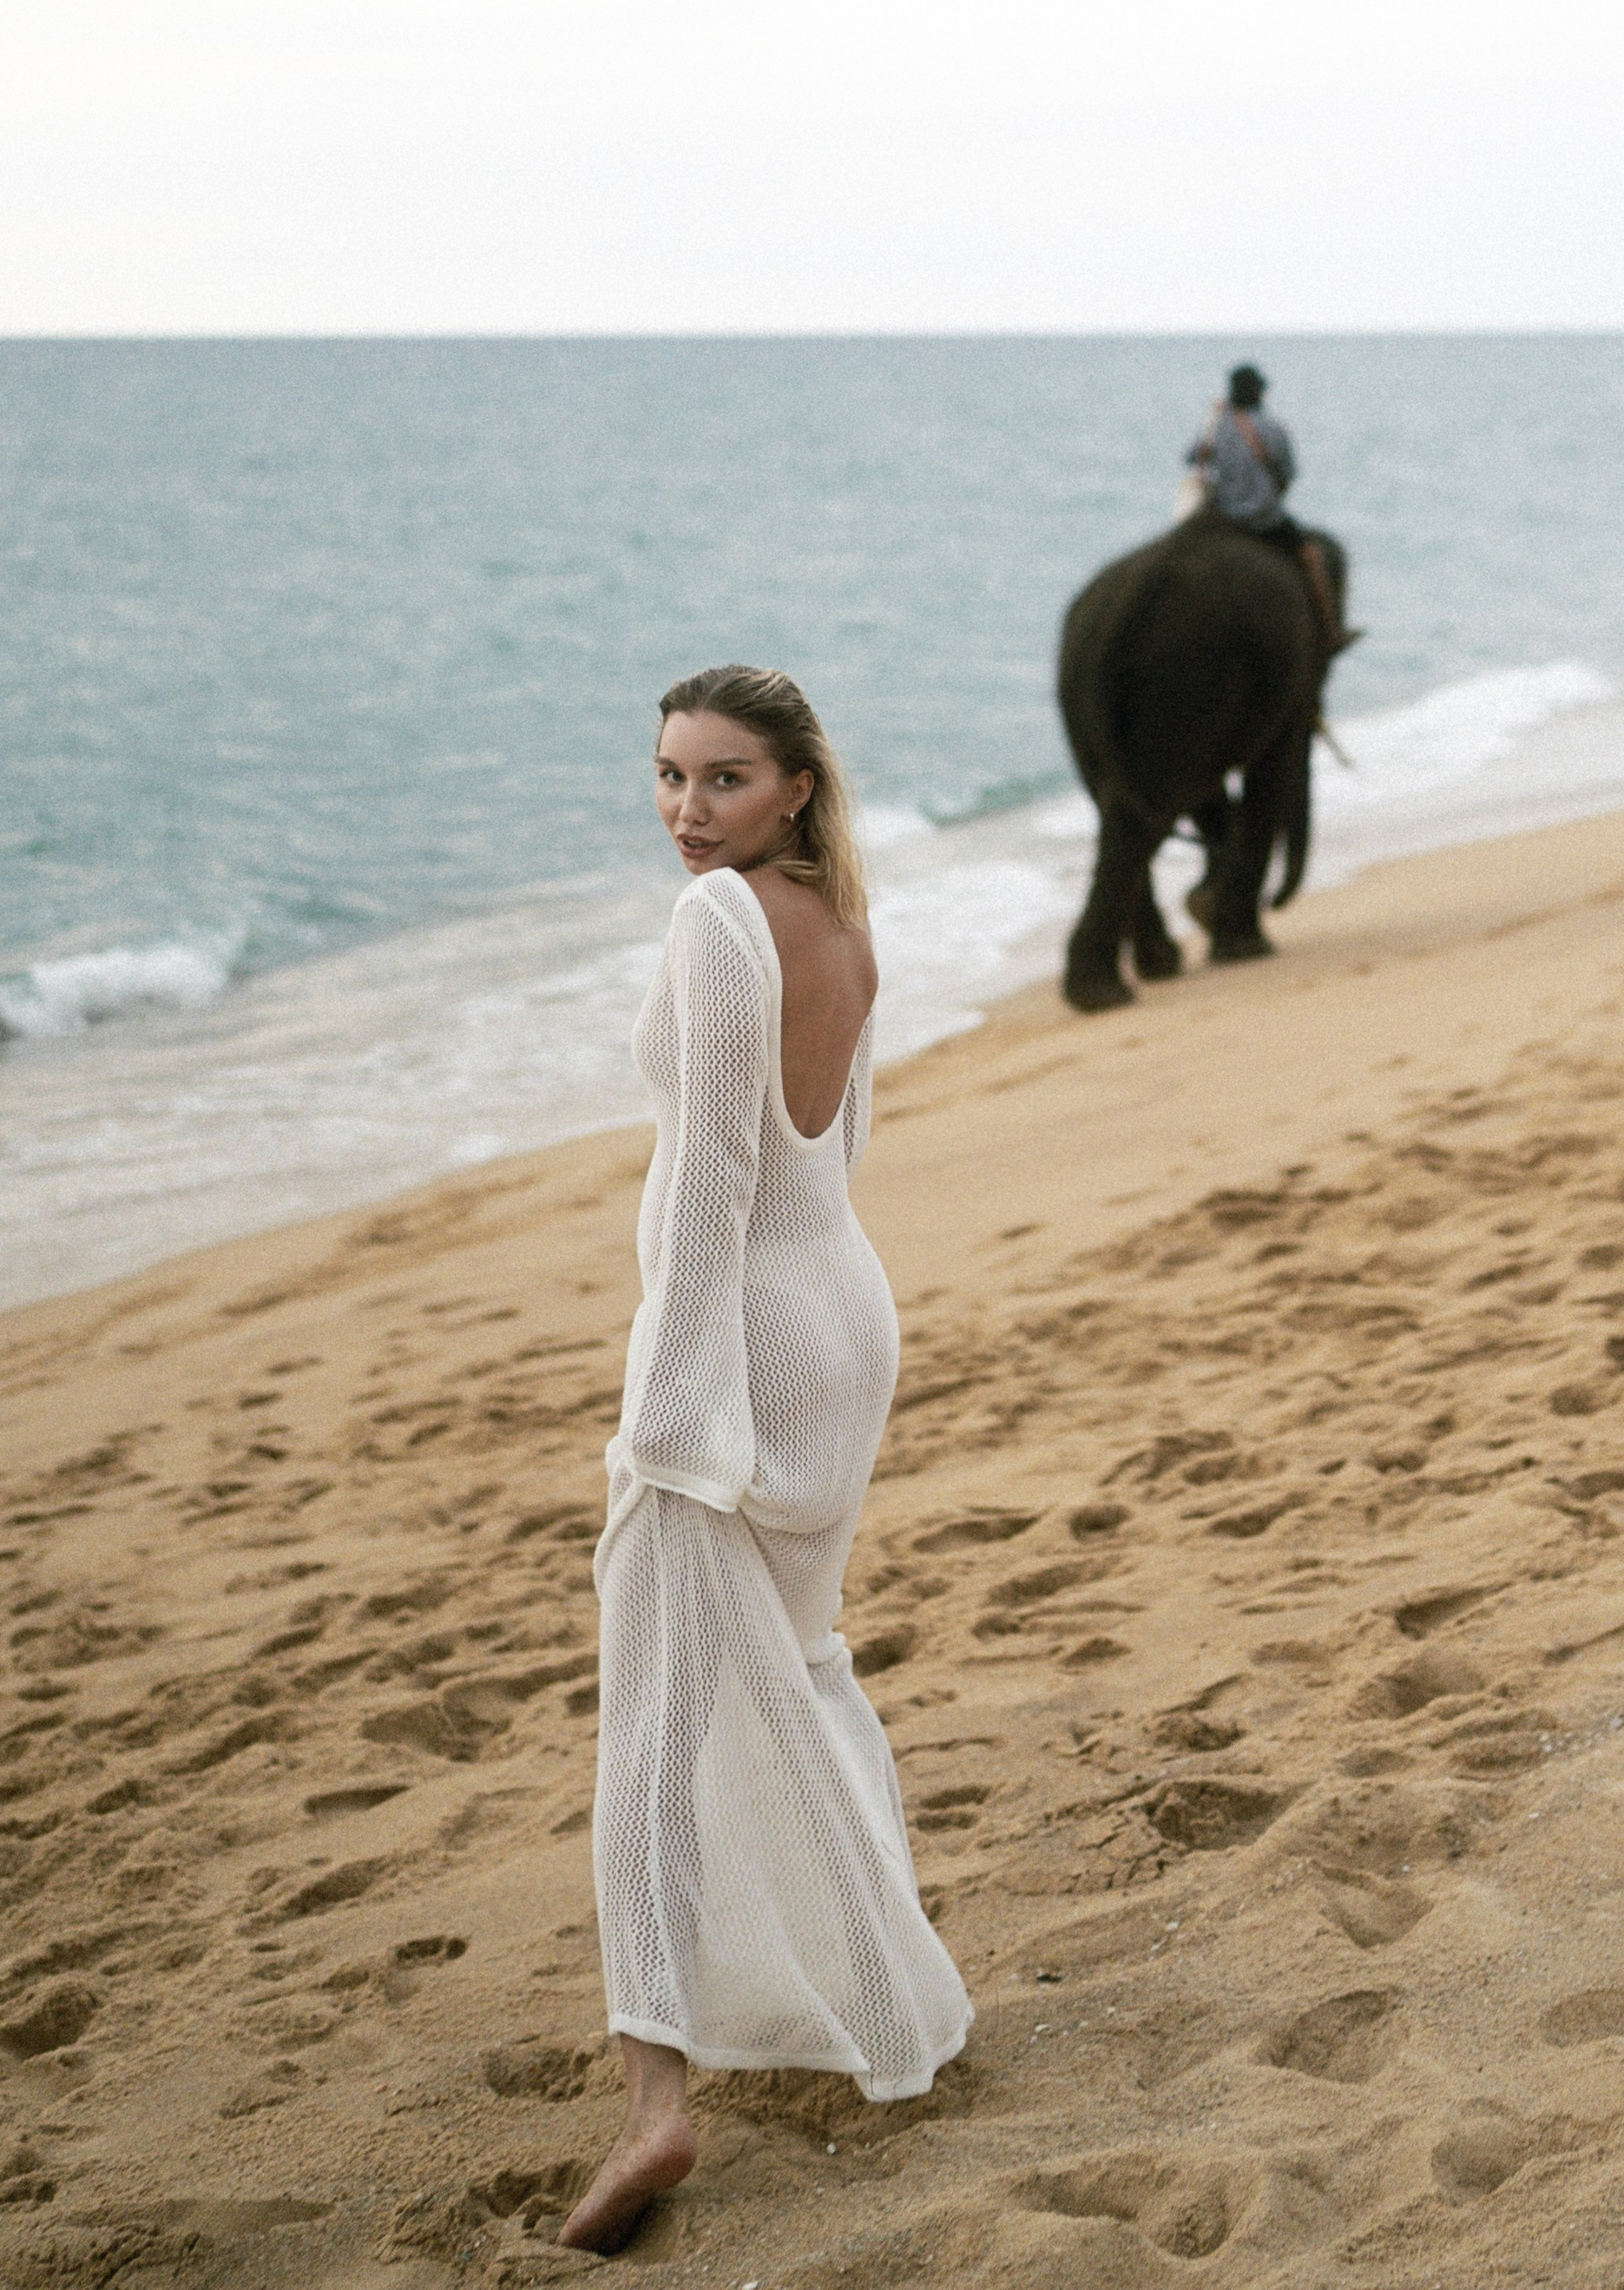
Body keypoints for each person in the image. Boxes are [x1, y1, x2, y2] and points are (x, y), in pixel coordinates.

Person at [559, 663, 971, 2256]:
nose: (686, 811)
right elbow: (835, 1151)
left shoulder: (721, 923)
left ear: (796, 784)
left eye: (723, 780)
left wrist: (667, 1425)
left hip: (744, 1357)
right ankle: (887, 1997)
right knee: (797, 1672)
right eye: (667, 776)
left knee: (654, 1733)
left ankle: (656, 2109)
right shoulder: (844, 918)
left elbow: (714, 1187)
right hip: (843, 1320)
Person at [1187, 362, 1356, 652]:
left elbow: (1192, 459)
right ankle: (1331, 632)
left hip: (1223, 520)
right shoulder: (1273, 428)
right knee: (1311, 556)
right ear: (1259, 393)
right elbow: (1288, 474)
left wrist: (1214, 419)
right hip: (1263, 521)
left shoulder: (1217, 426)